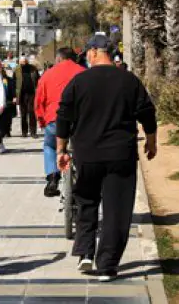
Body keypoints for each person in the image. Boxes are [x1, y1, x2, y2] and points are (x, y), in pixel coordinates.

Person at [56, 34, 157, 282]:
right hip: (120, 154)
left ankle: (85, 253)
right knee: (117, 210)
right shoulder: (129, 81)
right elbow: (147, 112)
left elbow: (63, 117)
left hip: (87, 154)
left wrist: (61, 149)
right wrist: (152, 142)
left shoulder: (78, 82)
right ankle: (107, 265)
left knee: (87, 201)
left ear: (92, 52)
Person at [34, 48, 84, 197]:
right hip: (79, 121)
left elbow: (38, 102)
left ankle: (52, 178)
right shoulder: (83, 72)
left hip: (54, 120)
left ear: (58, 59)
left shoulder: (47, 75)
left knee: (49, 145)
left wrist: (42, 120)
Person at [14, 55, 40, 138]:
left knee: (32, 113)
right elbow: (13, 83)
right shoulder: (17, 70)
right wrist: (15, 95)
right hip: (21, 94)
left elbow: (38, 80)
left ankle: (33, 132)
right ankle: (24, 132)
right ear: (20, 62)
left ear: (27, 61)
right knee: (23, 114)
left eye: (25, 62)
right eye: (22, 62)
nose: (23, 63)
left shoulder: (33, 69)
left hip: (32, 94)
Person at [0, 60, 15, 137]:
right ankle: (1, 131)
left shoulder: (6, 78)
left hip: (7, 99)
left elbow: (11, 87)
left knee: (8, 117)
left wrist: (14, 96)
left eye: (0, 66)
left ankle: (7, 130)